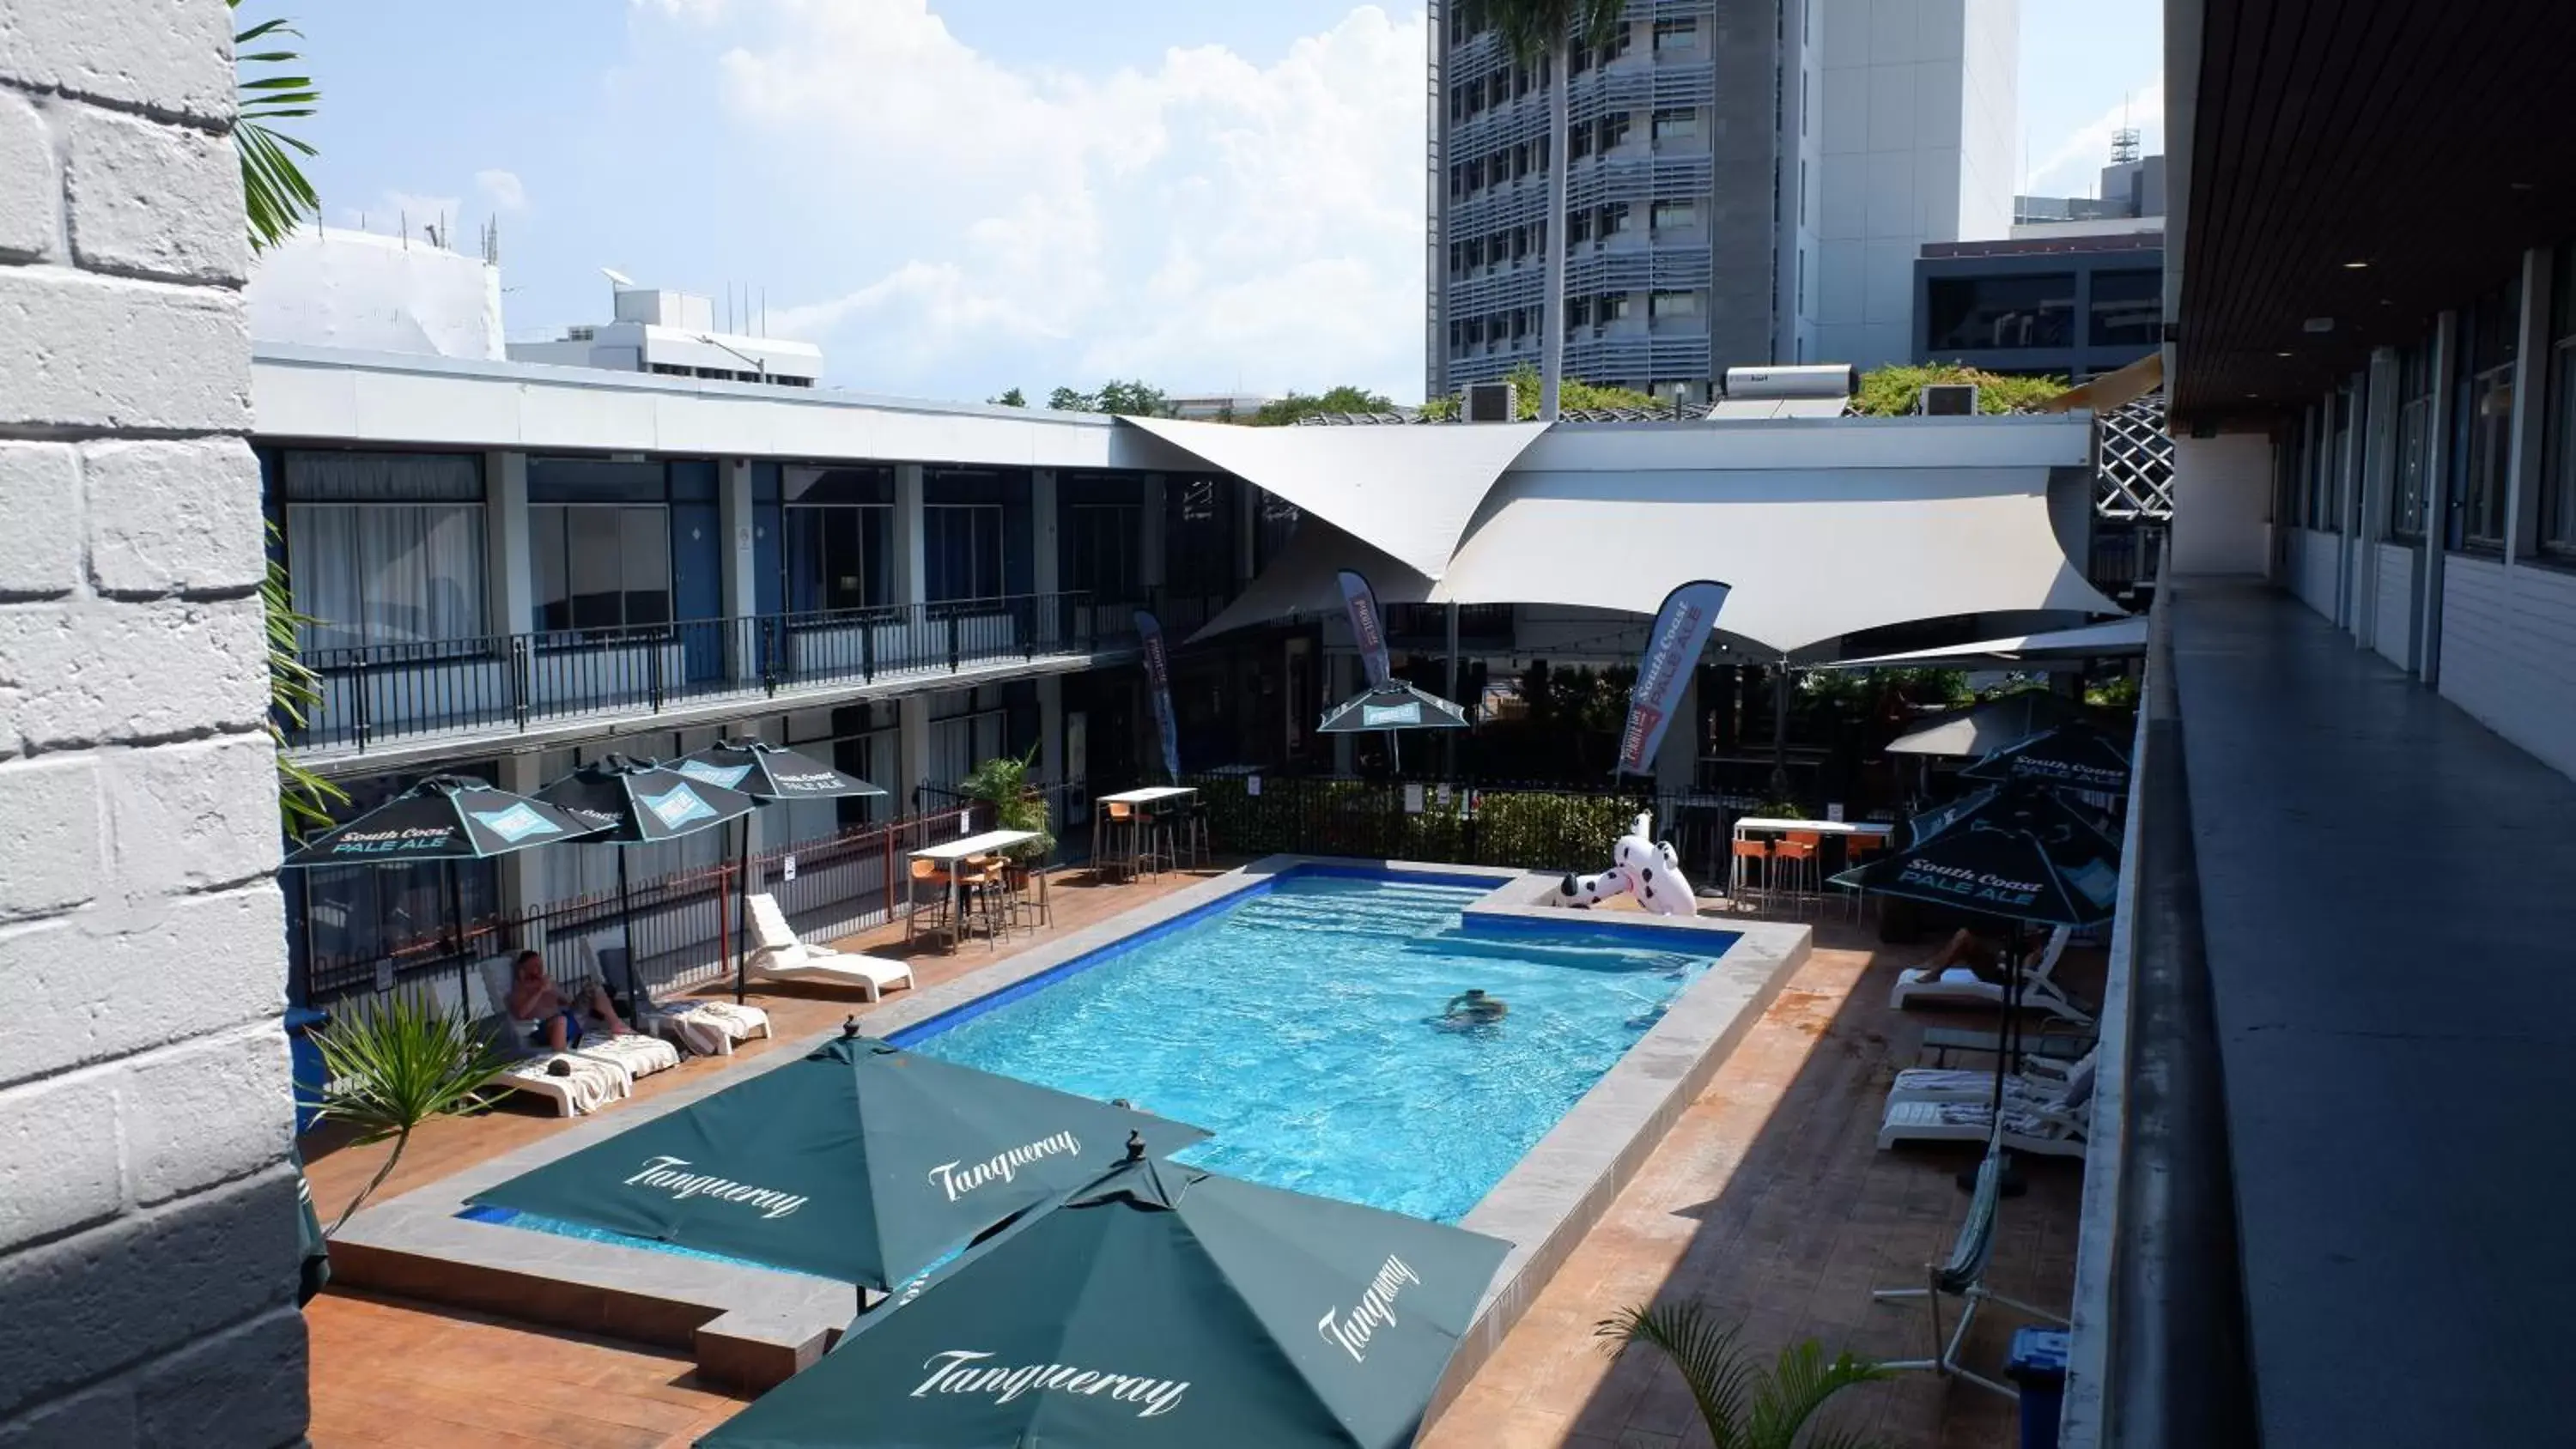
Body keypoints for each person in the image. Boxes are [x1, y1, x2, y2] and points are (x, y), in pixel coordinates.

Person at [505, 949, 632, 1052]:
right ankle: (561, 1055)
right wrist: (540, 991)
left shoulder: (548, 984)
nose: (540, 969)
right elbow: (521, 1014)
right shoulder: (519, 990)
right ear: (523, 971)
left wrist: (553, 990)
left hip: (569, 1019)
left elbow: (569, 1001)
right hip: (544, 1028)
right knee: (561, 1020)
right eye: (535, 966)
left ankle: (616, 1024)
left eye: (540, 965)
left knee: (594, 988)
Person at [1914, 927, 2042, 983]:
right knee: (1965, 935)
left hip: (2001, 975)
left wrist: (2005, 960)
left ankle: (1936, 969)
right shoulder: (2029, 941)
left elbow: (2024, 974)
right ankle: (1936, 966)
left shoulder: (2036, 948)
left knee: (1965, 937)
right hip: (1998, 966)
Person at [1442, 989, 1508, 1025]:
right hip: (1474, 1016)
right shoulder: (1462, 1000)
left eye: (1479, 992)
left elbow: (1502, 1011)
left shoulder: (1492, 1002)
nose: (1476, 994)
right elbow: (1450, 1008)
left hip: (1486, 1017)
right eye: (1472, 992)